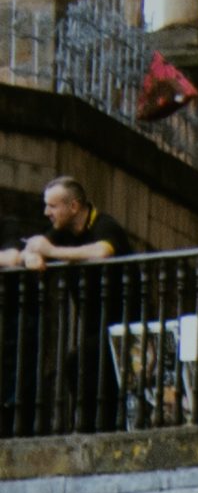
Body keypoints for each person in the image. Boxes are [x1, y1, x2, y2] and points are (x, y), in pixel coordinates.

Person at [0, 180, 138, 431]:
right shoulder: (61, 231)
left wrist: (52, 251)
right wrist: (33, 255)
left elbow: (101, 252)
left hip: (129, 323)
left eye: (52, 206)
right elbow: (35, 246)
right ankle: (93, 430)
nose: (46, 212)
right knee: (80, 368)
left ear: (73, 206)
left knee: (85, 364)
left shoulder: (105, 225)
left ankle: (102, 430)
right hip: (95, 324)